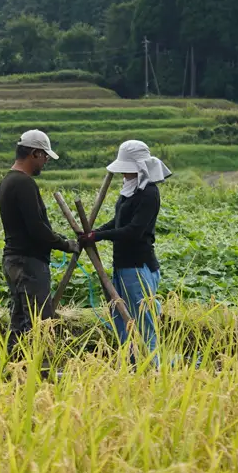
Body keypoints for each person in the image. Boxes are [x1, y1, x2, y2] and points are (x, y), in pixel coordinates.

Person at [78, 140, 170, 366]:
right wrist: (95, 231)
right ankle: (132, 363)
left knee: (143, 320)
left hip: (138, 266)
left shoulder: (148, 193)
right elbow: (119, 221)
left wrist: (98, 237)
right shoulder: (129, 189)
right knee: (121, 317)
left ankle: (152, 366)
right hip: (122, 265)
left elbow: (134, 231)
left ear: (139, 166)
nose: (123, 172)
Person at [0, 129, 80, 359]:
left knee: (20, 322)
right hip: (28, 263)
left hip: (14, 260)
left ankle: (13, 371)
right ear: (34, 153)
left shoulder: (7, 181)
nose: (45, 162)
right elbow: (37, 229)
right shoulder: (24, 184)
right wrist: (65, 243)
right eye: (44, 157)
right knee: (40, 325)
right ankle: (39, 374)